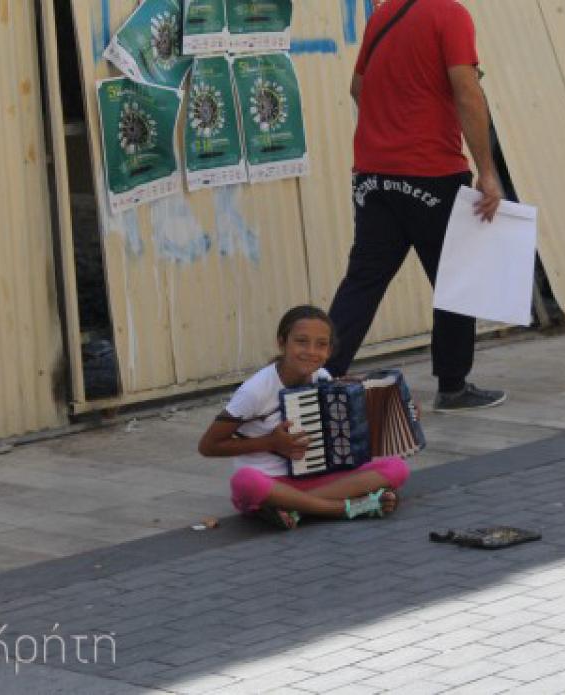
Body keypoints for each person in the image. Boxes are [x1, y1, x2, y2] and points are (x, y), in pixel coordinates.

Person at [325, 0, 508, 412]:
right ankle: (453, 385)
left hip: (373, 175)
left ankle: (320, 375)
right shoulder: (450, 15)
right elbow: (467, 92)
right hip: (431, 171)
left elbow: (358, 87)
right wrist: (488, 172)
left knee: (364, 280)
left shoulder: (384, 15)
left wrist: (389, 128)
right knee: (455, 280)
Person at [198, 305, 410, 530]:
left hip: (314, 478)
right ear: (282, 343)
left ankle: (295, 508)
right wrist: (271, 443)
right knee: (245, 482)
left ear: (329, 351)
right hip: (270, 482)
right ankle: (344, 508)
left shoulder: (322, 377)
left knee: (396, 467)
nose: (311, 351)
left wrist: (401, 412)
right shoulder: (255, 391)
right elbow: (208, 446)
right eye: (301, 341)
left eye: (321, 345)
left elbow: (344, 432)